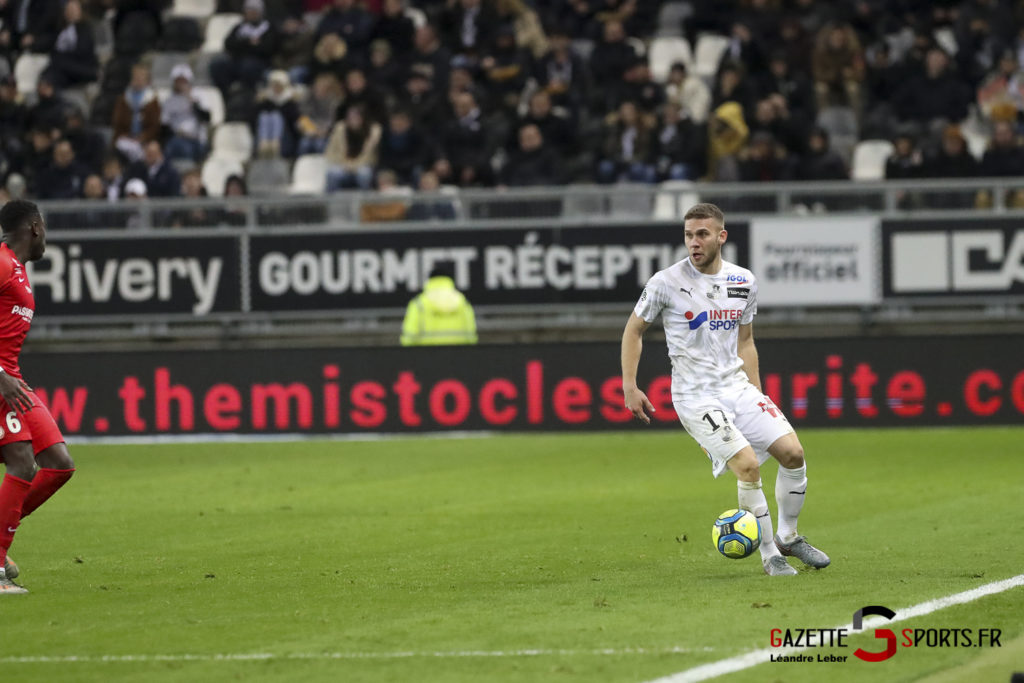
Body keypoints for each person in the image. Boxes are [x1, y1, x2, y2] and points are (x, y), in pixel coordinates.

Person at [620, 202, 829, 577]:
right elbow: (633, 330)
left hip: (738, 387)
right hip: (695, 395)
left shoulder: (743, 281)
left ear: (721, 236)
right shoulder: (665, 282)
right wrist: (630, 387)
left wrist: (758, 392)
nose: (694, 243)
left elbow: (746, 341)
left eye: (702, 234)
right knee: (747, 466)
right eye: (688, 235)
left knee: (794, 454)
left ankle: (788, 536)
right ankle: (770, 556)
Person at [0, 199, 76, 594]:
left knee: (59, 464)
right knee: (21, 461)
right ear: (34, 227)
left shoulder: (19, 271)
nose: (45, 235)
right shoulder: (1, 262)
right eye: (44, 227)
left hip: (14, 381)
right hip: (1, 381)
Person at [400, 263, 477, 346]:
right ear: (449, 280)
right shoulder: (462, 301)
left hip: (426, 354)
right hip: (458, 353)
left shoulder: (419, 303)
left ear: (430, 281)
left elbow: (409, 337)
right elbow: (471, 335)